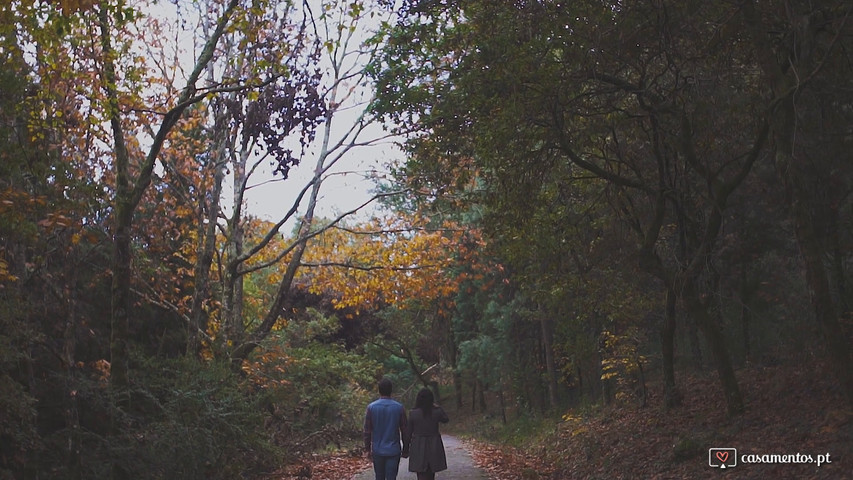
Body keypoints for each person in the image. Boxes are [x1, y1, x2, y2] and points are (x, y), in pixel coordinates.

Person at [363, 378, 409, 480]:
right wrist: (406, 449)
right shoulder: (399, 408)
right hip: (393, 450)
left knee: (379, 477)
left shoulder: (371, 407)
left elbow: (367, 431)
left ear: (379, 390)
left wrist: (367, 449)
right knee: (391, 477)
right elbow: (405, 430)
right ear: (391, 390)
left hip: (378, 450)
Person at [405, 388, 449, 480]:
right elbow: (445, 419)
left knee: (421, 473)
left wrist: (405, 449)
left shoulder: (413, 413)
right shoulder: (436, 412)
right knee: (431, 472)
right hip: (434, 444)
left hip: (418, 445)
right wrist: (438, 407)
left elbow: (408, 433)